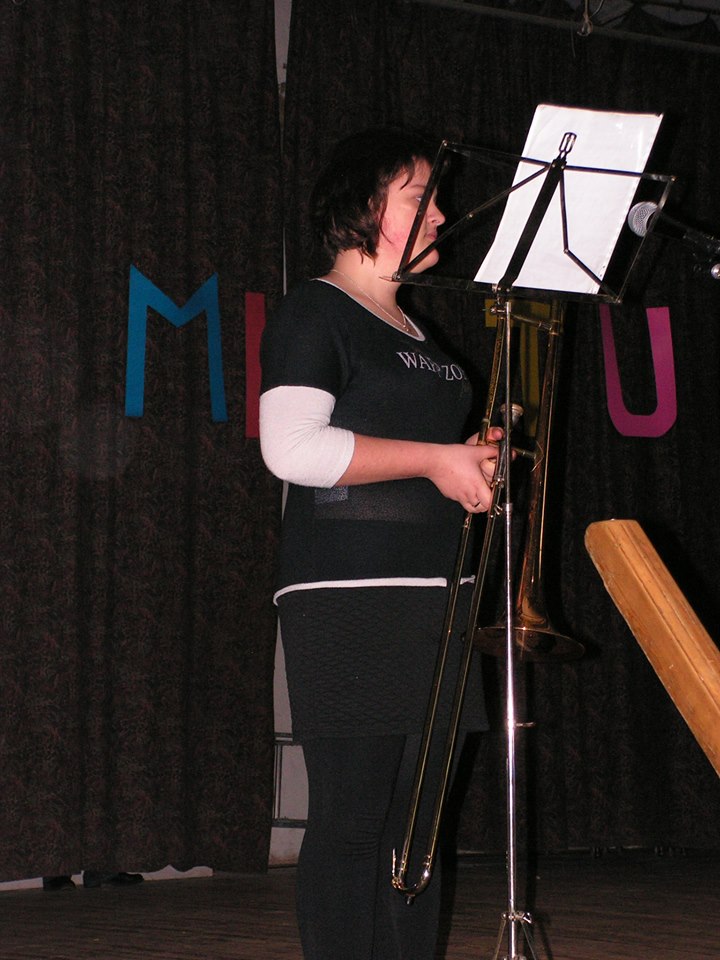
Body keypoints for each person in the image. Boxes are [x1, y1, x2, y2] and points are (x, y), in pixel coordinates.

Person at [259, 128, 500, 960]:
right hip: (350, 594)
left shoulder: (414, 329)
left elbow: (413, 452)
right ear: (364, 207)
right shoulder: (316, 309)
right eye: (420, 198)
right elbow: (293, 448)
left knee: (417, 829)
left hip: (439, 596)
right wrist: (437, 460)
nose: (442, 215)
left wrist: (469, 458)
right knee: (356, 821)